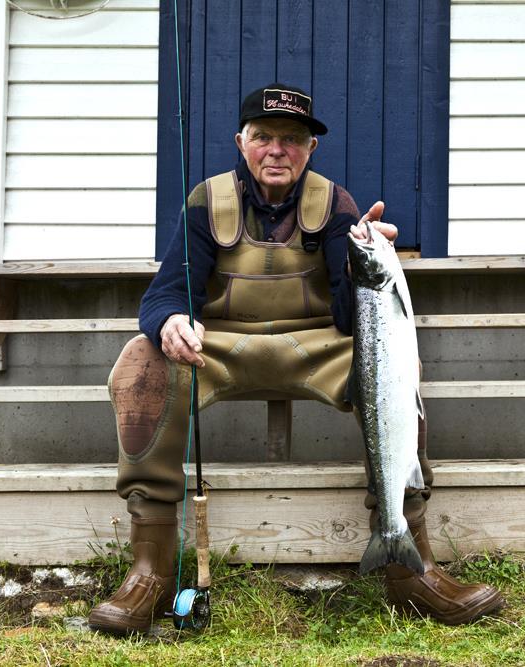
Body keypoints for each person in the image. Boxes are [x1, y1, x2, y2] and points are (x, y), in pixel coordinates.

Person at [88, 83, 503, 635]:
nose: (276, 150)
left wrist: (364, 264)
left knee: (399, 368)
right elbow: (165, 292)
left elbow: (351, 315)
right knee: (140, 364)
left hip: (318, 346)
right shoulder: (206, 200)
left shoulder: (335, 204)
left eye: (292, 138)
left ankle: (410, 566)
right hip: (222, 346)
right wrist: (170, 321)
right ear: (242, 142)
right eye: (264, 137)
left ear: (311, 149)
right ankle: (152, 572)